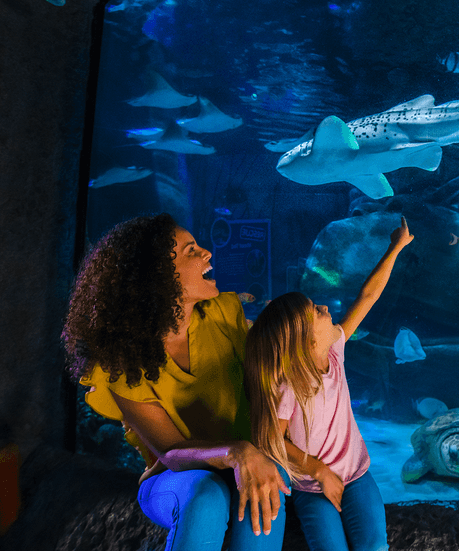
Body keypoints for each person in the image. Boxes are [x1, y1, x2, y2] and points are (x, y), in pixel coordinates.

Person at [62, 213, 290, 551]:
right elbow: (171, 452)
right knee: (207, 494)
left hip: (253, 461)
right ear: (155, 277)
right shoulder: (124, 362)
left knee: (266, 477)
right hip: (176, 479)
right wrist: (236, 452)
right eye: (189, 250)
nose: (206, 253)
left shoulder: (227, 314)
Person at [244, 217, 414, 551]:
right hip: (311, 487)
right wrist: (319, 471)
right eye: (315, 312)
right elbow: (270, 440)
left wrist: (396, 248)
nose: (324, 307)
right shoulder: (288, 385)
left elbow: (368, 296)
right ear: (304, 342)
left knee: (375, 546)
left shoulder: (334, 348)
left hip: (357, 475)